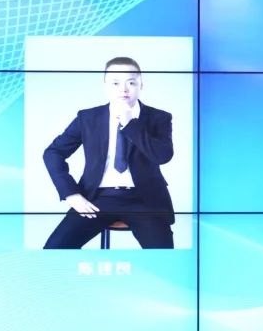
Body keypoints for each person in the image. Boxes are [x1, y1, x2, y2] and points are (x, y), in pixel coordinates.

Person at [43, 56, 175, 249]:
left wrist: (130, 124)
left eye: (131, 82)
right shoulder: (88, 117)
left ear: (141, 85)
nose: (124, 89)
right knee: (54, 251)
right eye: (115, 83)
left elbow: (163, 156)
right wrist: (71, 194)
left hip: (145, 200)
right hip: (96, 198)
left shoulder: (159, 118)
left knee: (164, 259)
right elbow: (53, 153)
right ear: (105, 85)